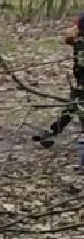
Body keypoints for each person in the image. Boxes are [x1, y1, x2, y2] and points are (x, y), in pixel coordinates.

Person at [33, 13, 84, 148]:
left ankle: (53, 132)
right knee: (75, 105)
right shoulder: (79, 44)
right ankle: (53, 132)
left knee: (75, 105)